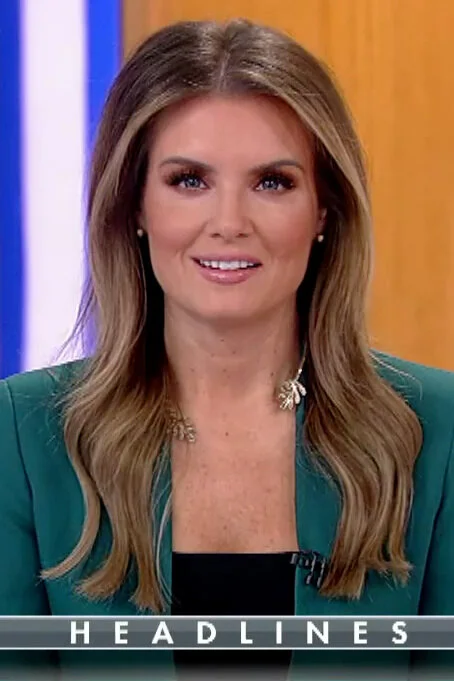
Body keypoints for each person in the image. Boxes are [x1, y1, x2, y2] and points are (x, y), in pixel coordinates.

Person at [0, 17, 453, 681]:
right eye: (190, 180)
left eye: (272, 182)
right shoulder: (23, 433)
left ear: (323, 211)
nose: (230, 223)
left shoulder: (436, 430)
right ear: (135, 204)